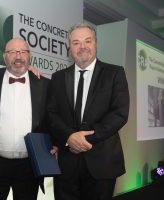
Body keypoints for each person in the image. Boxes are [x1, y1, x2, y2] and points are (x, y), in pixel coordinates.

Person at [47, 23, 130, 200]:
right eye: (76, 42)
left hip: (102, 164)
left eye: (87, 41)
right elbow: (51, 114)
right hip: (66, 166)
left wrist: (83, 139)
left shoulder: (115, 73)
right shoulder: (58, 78)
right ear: (69, 48)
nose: (82, 46)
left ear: (96, 44)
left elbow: (120, 113)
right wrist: (69, 137)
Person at [0, 38, 51, 200]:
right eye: (12, 52)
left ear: (29, 56)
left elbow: (51, 119)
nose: (18, 56)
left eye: (22, 52)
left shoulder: (44, 84)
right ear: (5, 57)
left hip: (29, 165)